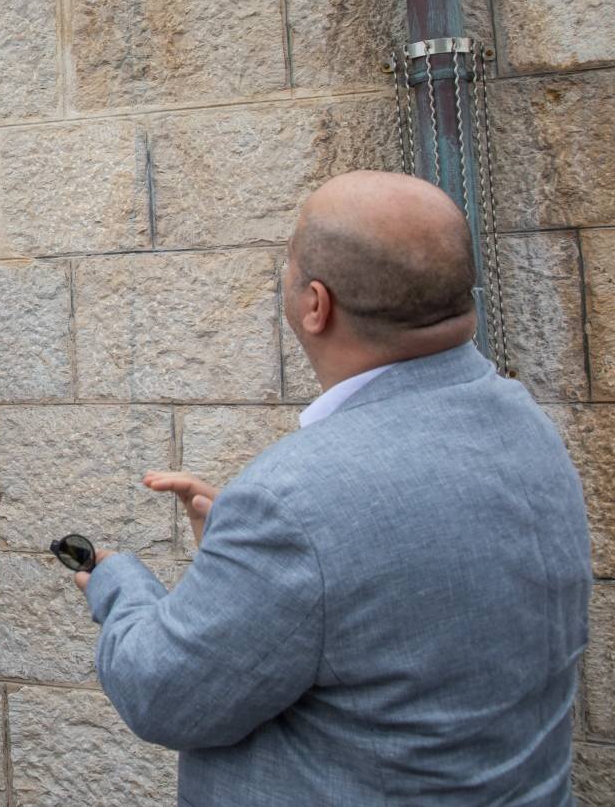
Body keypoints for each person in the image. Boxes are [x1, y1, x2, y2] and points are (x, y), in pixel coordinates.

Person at [74, 170, 591, 805]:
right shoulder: (527, 424)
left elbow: (162, 695)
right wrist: (241, 564)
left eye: (288, 261)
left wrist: (120, 584)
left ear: (316, 305)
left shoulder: (292, 504)